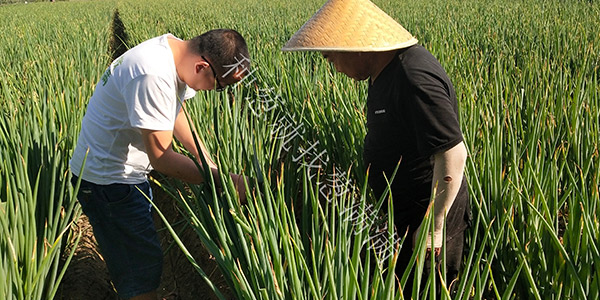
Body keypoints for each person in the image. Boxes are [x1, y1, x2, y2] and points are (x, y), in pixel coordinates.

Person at [282, 0, 470, 296]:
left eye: (333, 60)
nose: (335, 69)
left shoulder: (412, 77)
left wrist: (434, 226)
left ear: (356, 47)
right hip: (404, 210)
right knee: (404, 283)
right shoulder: (384, 70)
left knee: (428, 288)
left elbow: (452, 152)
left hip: (427, 213)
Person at [69, 29, 250, 300]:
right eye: (219, 85)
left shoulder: (172, 52)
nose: (216, 91)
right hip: (108, 182)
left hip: (121, 174)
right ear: (202, 66)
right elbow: (161, 157)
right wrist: (221, 179)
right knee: (139, 270)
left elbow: (172, 110)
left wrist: (201, 155)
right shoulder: (152, 73)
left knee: (141, 259)